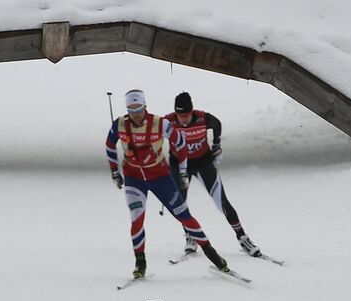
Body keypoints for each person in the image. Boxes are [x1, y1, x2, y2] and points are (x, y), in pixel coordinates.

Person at [105, 89, 230, 278]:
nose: (135, 113)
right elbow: (109, 145)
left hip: (160, 176)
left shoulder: (159, 123)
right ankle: (140, 263)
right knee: (137, 218)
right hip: (134, 178)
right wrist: (115, 171)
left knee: (183, 215)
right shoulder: (120, 125)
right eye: (131, 109)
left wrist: (182, 173)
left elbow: (180, 144)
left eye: (138, 108)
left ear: (145, 106)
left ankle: (212, 254)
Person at [166, 91, 268, 259]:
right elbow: (152, 134)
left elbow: (217, 124)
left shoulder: (201, 118)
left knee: (222, 202)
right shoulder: (168, 121)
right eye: (180, 115)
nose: (183, 118)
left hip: (203, 163)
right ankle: (191, 236)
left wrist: (217, 144)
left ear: (192, 111)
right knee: (180, 204)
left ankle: (242, 237)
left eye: (186, 115)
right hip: (180, 166)